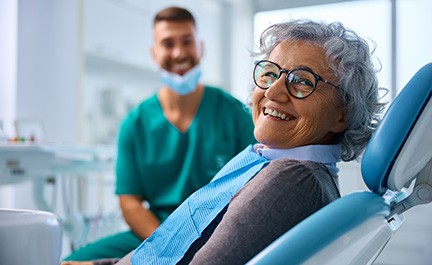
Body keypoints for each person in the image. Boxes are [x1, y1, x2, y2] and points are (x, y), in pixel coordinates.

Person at [62, 18, 386, 265]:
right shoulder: (267, 158)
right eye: (270, 73)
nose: (273, 92)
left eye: (302, 82)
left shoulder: (292, 178)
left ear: (343, 114)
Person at [62, 6, 256, 262]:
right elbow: (130, 203)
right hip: (154, 231)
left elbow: (255, 185)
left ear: (201, 47)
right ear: (154, 53)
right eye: (168, 43)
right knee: (71, 262)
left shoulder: (234, 114)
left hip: (218, 229)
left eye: (187, 41)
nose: (178, 52)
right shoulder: (135, 123)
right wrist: (168, 244)